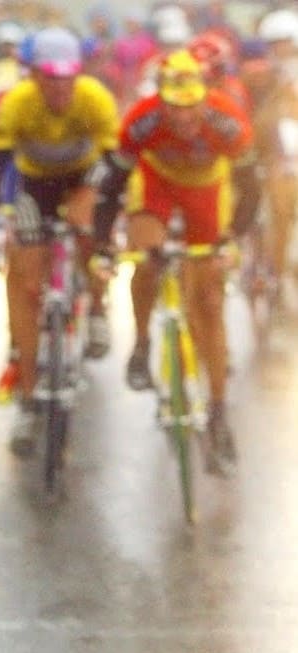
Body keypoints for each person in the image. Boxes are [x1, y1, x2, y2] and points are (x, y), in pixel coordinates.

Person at [91, 49, 260, 470]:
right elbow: (110, 185)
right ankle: (143, 341)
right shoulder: (141, 121)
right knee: (147, 256)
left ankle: (219, 412)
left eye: (192, 108)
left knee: (208, 304)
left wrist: (230, 239)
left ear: (206, 98)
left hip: (206, 190)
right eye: (174, 109)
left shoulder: (228, 121)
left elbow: (250, 188)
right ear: (160, 101)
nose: (184, 120)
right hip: (157, 184)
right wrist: (102, 244)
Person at [0, 26, 120, 454]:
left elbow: (116, 162)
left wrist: (90, 199)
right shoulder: (17, 103)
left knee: (92, 236)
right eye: (50, 77)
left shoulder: (94, 97)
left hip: (84, 175)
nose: (60, 86)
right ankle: (27, 396)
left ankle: (96, 305)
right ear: (34, 76)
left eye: (68, 77)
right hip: (34, 185)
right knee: (24, 282)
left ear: (78, 74)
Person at [250, 8, 298, 292]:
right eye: (273, 44)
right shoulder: (259, 74)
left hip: (291, 153)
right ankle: (273, 272)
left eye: (285, 43)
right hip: (269, 155)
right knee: (273, 217)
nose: (280, 50)